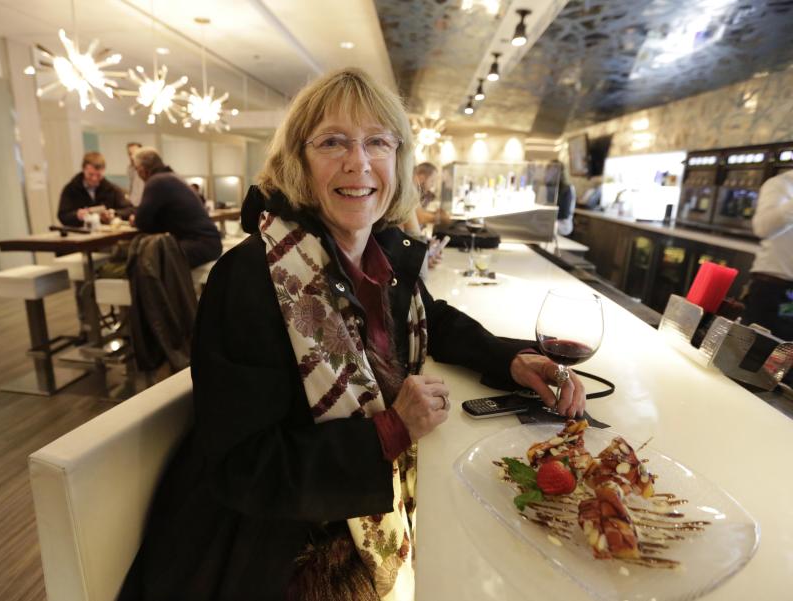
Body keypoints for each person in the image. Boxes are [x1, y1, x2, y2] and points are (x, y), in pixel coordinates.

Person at [117, 68, 585, 601]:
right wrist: (390, 430)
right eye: (332, 141)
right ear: (298, 161)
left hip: (353, 501)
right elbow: (245, 469)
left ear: (398, 159)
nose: (358, 162)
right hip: (279, 547)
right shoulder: (249, 279)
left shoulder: (380, 250)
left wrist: (512, 360)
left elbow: (432, 318)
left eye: (377, 142)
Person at [131, 147, 222, 269]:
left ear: (142, 170)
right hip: (210, 244)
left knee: (146, 262)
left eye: (137, 170)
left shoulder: (156, 182)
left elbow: (141, 222)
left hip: (196, 246)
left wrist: (134, 220)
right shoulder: (173, 177)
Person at [741, 169, 793, 342]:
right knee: (752, 351)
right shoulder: (780, 185)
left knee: (785, 360)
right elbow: (763, 227)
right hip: (771, 287)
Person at [57, 152, 134, 227]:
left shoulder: (112, 189)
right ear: (83, 169)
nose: (94, 179)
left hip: (107, 234)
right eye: (90, 174)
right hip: (80, 234)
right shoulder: (71, 189)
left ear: (104, 171)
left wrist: (114, 213)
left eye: (98, 175)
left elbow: (130, 210)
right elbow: (62, 215)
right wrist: (76, 215)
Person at [126, 142, 144, 206]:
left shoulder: (146, 169)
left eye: (134, 153)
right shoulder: (130, 168)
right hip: (132, 204)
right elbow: (131, 186)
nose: (132, 156)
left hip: (143, 204)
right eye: (130, 154)